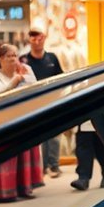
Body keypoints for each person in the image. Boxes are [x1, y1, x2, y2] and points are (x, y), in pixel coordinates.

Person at [0, 44, 44, 201]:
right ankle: (5, 190)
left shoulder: (26, 69)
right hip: (3, 121)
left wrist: (22, 77)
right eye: (9, 55)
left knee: (24, 153)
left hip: (24, 117)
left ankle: (25, 187)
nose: (12, 58)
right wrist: (16, 81)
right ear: (0, 59)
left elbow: (35, 87)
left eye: (15, 55)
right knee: (7, 156)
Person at [21, 29, 65, 178]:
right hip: (33, 105)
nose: (37, 41)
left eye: (39, 38)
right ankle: (42, 166)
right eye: (33, 38)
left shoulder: (52, 58)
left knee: (54, 135)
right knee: (40, 137)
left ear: (44, 39)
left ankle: (54, 165)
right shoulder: (24, 61)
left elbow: (61, 78)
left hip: (52, 103)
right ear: (29, 40)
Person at [70, 120, 104, 191]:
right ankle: (83, 178)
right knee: (83, 151)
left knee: (102, 149)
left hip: (100, 122)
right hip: (83, 123)